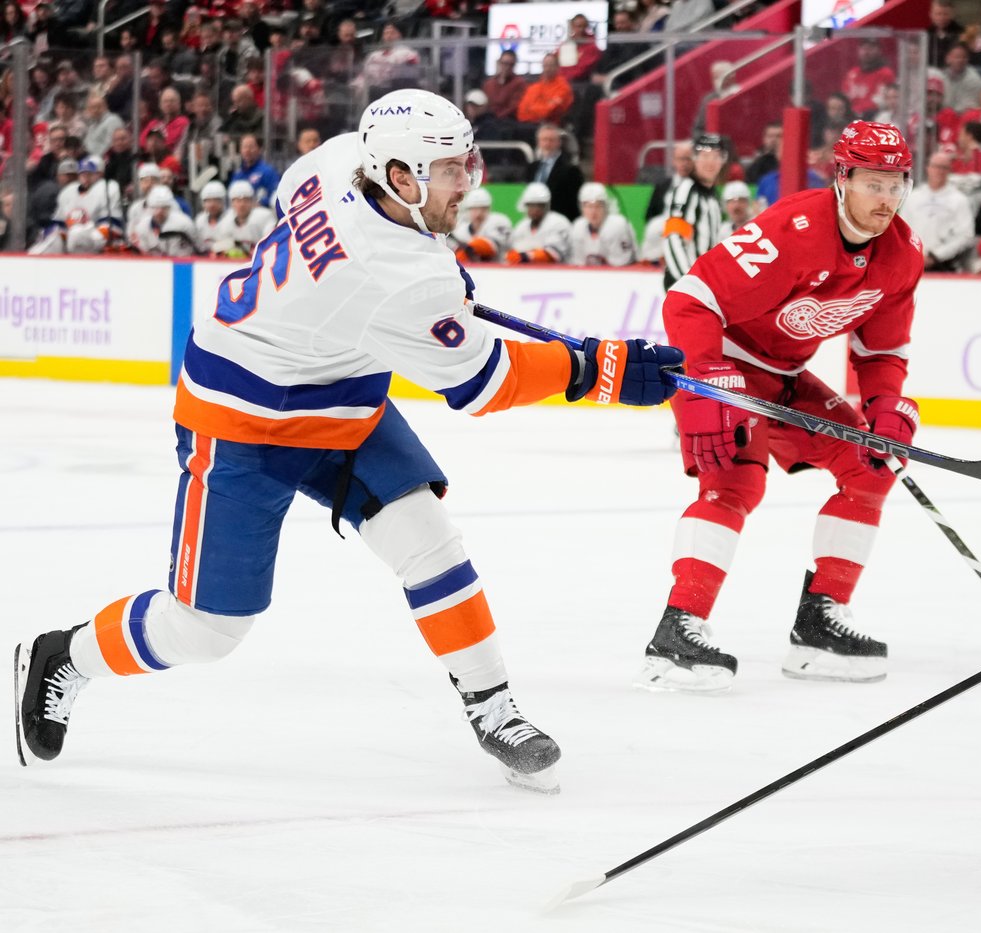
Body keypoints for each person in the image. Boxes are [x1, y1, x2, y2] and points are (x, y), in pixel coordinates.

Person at [13, 89, 684, 797]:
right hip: (241, 420)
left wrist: (382, 299)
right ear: (401, 177)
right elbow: (483, 383)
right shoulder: (397, 277)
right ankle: (64, 655)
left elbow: (302, 212)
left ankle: (493, 706)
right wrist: (596, 370)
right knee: (208, 628)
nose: (472, 181)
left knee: (430, 542)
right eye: (455, 169)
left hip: (339, 393)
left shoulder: (338, 160)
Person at [636, 122, 924, 693]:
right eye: (873, 182)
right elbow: (690, 299)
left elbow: (883, 349)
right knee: (735, 485)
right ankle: (677, 631)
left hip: (786, 376)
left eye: (896, 184)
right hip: (724, 368)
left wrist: (886, 408)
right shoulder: (793, 229)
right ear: (842, 179)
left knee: (868, 468)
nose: (886, 199)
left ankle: (818, 625)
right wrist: (701, 382)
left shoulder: (902, 254)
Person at [661, 133, 729, 290]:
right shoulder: (686, 191)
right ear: (695, 159)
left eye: (716, 156)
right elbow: (673, 238)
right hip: (687, 285)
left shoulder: (713, 196)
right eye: (705, 156)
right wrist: (688, 282)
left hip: (703, 285)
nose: (710, 162)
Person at [901, 148, 976, 271]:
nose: (939, 171)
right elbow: (902, 230)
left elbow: (965, 235)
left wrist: (936, 256)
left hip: (944, 266)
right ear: (928, 168)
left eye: (943, 167)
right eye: (935, 166)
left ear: (949, 171)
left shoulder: (959, 200)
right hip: (912, 262)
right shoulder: (913, 197)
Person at [570, 182, 638, 266]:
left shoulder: (616, 225)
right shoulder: (578, 227)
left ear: (606, 207)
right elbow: (578, 265)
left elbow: (622, 266)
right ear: (582, 208)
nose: (593, 211)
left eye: (598, 206)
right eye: (589, 206)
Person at [527, 124, 584, 222]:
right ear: (538, 143)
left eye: (551, 140)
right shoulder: (532, 167)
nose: (547, 144)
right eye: (544, 140)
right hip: (535, 221)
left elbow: (574, 202)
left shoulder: (570, 169)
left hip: (559, 221)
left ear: (558, 143)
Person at [506, 182, 572, 265]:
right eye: (531, 205)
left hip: (557, 274)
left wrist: (525, 256)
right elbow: (513, 252)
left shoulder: (558, 222)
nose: (535, 209)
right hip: (526, 274)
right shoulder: (521, 226)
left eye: (539, 205)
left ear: (546, 205)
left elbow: (552, 254)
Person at [212, 179, 276, 257]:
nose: (242, 204)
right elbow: (217, 249)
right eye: (238, 201)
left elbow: (272, 246)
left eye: (246, 200)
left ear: (252, 202)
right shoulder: (225, 222)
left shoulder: (264, 217)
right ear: (232, 203)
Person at [131, 184, 196, 256]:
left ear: (170, 207)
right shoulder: (142, 226)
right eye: (156, 207)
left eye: (164, 207)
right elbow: (142, 255)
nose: (159, 211)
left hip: (180, 264)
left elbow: (188, 256)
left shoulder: (184, 224)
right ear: (150, 207)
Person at [450, 188, 512, 264]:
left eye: (483, 209)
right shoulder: (461, 229)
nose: (478, 213)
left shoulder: (498, 222)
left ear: (489, 209)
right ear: (468, 210)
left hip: (498, 270)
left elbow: (491, 247)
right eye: (474, 209)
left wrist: (466, 249)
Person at [192, 181, 228, 254]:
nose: (212, 204)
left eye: (216, 200)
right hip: (204, 260)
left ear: (223, 202)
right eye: (208, 201)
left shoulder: (230, 219)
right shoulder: (199, 220)